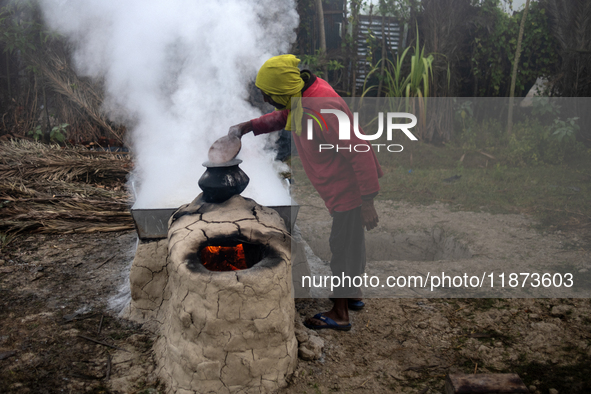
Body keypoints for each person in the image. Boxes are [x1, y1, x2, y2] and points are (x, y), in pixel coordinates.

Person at [229, 54, 383, 331]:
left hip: (349, 190)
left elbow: (360, 151)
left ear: (282, 91)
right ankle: (353, 296)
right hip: (341, 189)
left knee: (343, 248)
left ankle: (340, 313)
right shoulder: (303, 95)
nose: (266, 99)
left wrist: (368, 200)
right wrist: (248, 127)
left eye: (268, 95)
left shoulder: (322, 107)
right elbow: (283, 115)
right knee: (352, 243)